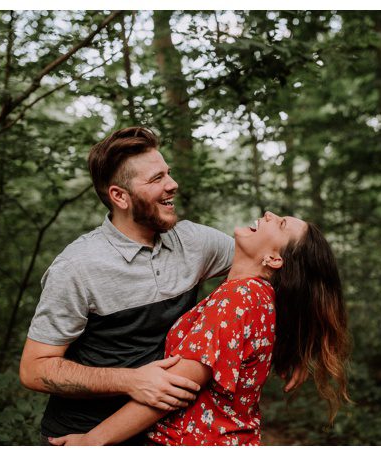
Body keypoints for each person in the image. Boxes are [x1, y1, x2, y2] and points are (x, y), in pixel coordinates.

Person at [50, 211, 352, 445]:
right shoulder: (257, 297)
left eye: (282, 224)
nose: (270, 215)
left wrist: (93, 440)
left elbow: (170, 389)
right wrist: (301, 348)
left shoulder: (239, 299)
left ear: (274, 259)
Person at [18, 127, 232, 444]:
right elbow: (34, 369)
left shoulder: (195, 242)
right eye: (156, 179)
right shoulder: (77, 267)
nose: (172, 185)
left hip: (165, 431)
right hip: (81, 436)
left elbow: (268, 264)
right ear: (120, 196)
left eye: (168, 174)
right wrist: (131, 380)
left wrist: (303, 344)